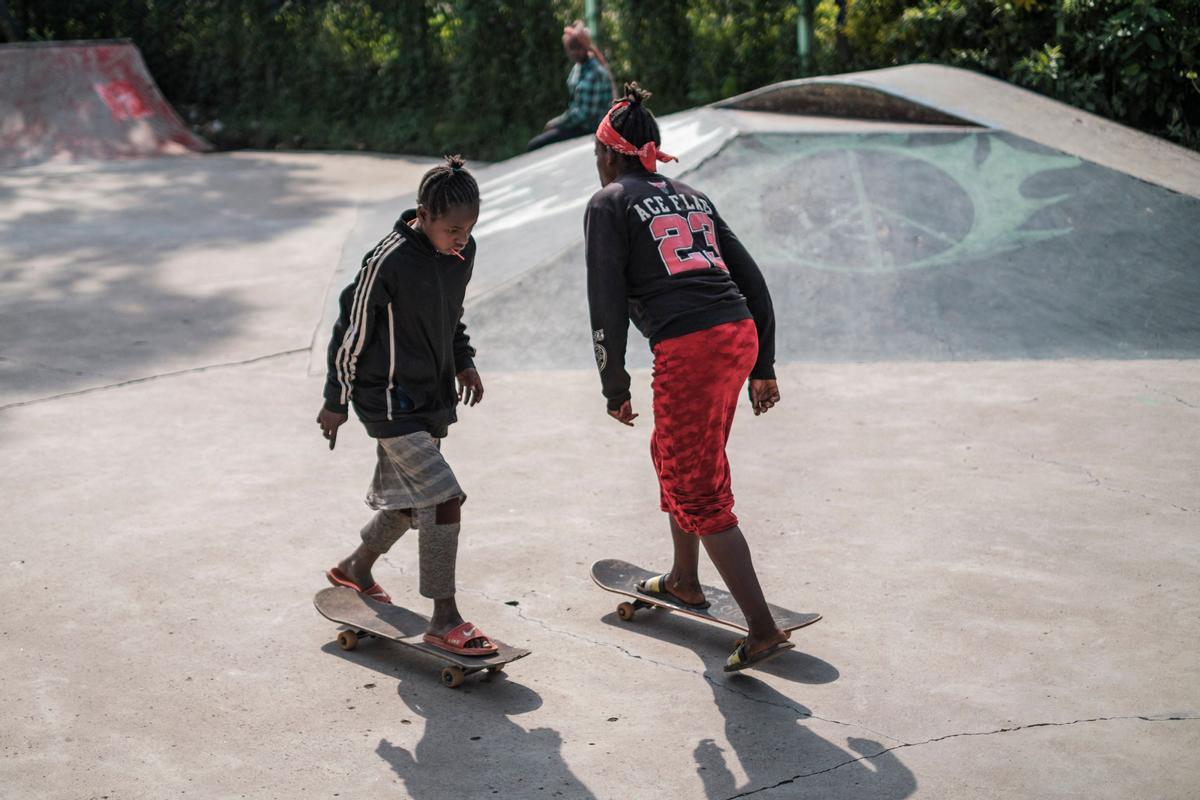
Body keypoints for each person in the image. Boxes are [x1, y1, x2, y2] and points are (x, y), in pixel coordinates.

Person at [583, 83, 792, 672]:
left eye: (597, 157)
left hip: (692, 346)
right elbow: (752, 279)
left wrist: (613, 384)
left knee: (697, 483)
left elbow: (604, 298)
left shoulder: (608, 203)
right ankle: (683, 580)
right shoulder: (692, 196)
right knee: (674, 452)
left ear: (609, 154)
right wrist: (764, 363)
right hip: (736, 334)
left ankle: (763, 629)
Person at [317, 155, 497, 657]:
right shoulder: (388, 260)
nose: (461, 239)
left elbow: (451, 315)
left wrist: (463, 361)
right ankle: (444, 617)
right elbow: (349, 333)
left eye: (469, 229)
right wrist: (336, 400)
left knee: (407, 502)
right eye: (452, 229)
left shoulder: (462, 251)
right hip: (387, 400)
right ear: (423, 214)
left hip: (430, 397)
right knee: (442, 499)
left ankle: (354, 569)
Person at [527, 20, 615, 152]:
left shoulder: (595, 73)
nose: (574, 52)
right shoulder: (578, 68)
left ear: (585, 47)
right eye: (571, 48)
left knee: (536, 144)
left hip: (592, 126)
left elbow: (585, 114)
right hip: (580, 124)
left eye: (578, 47)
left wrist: (558, 122)